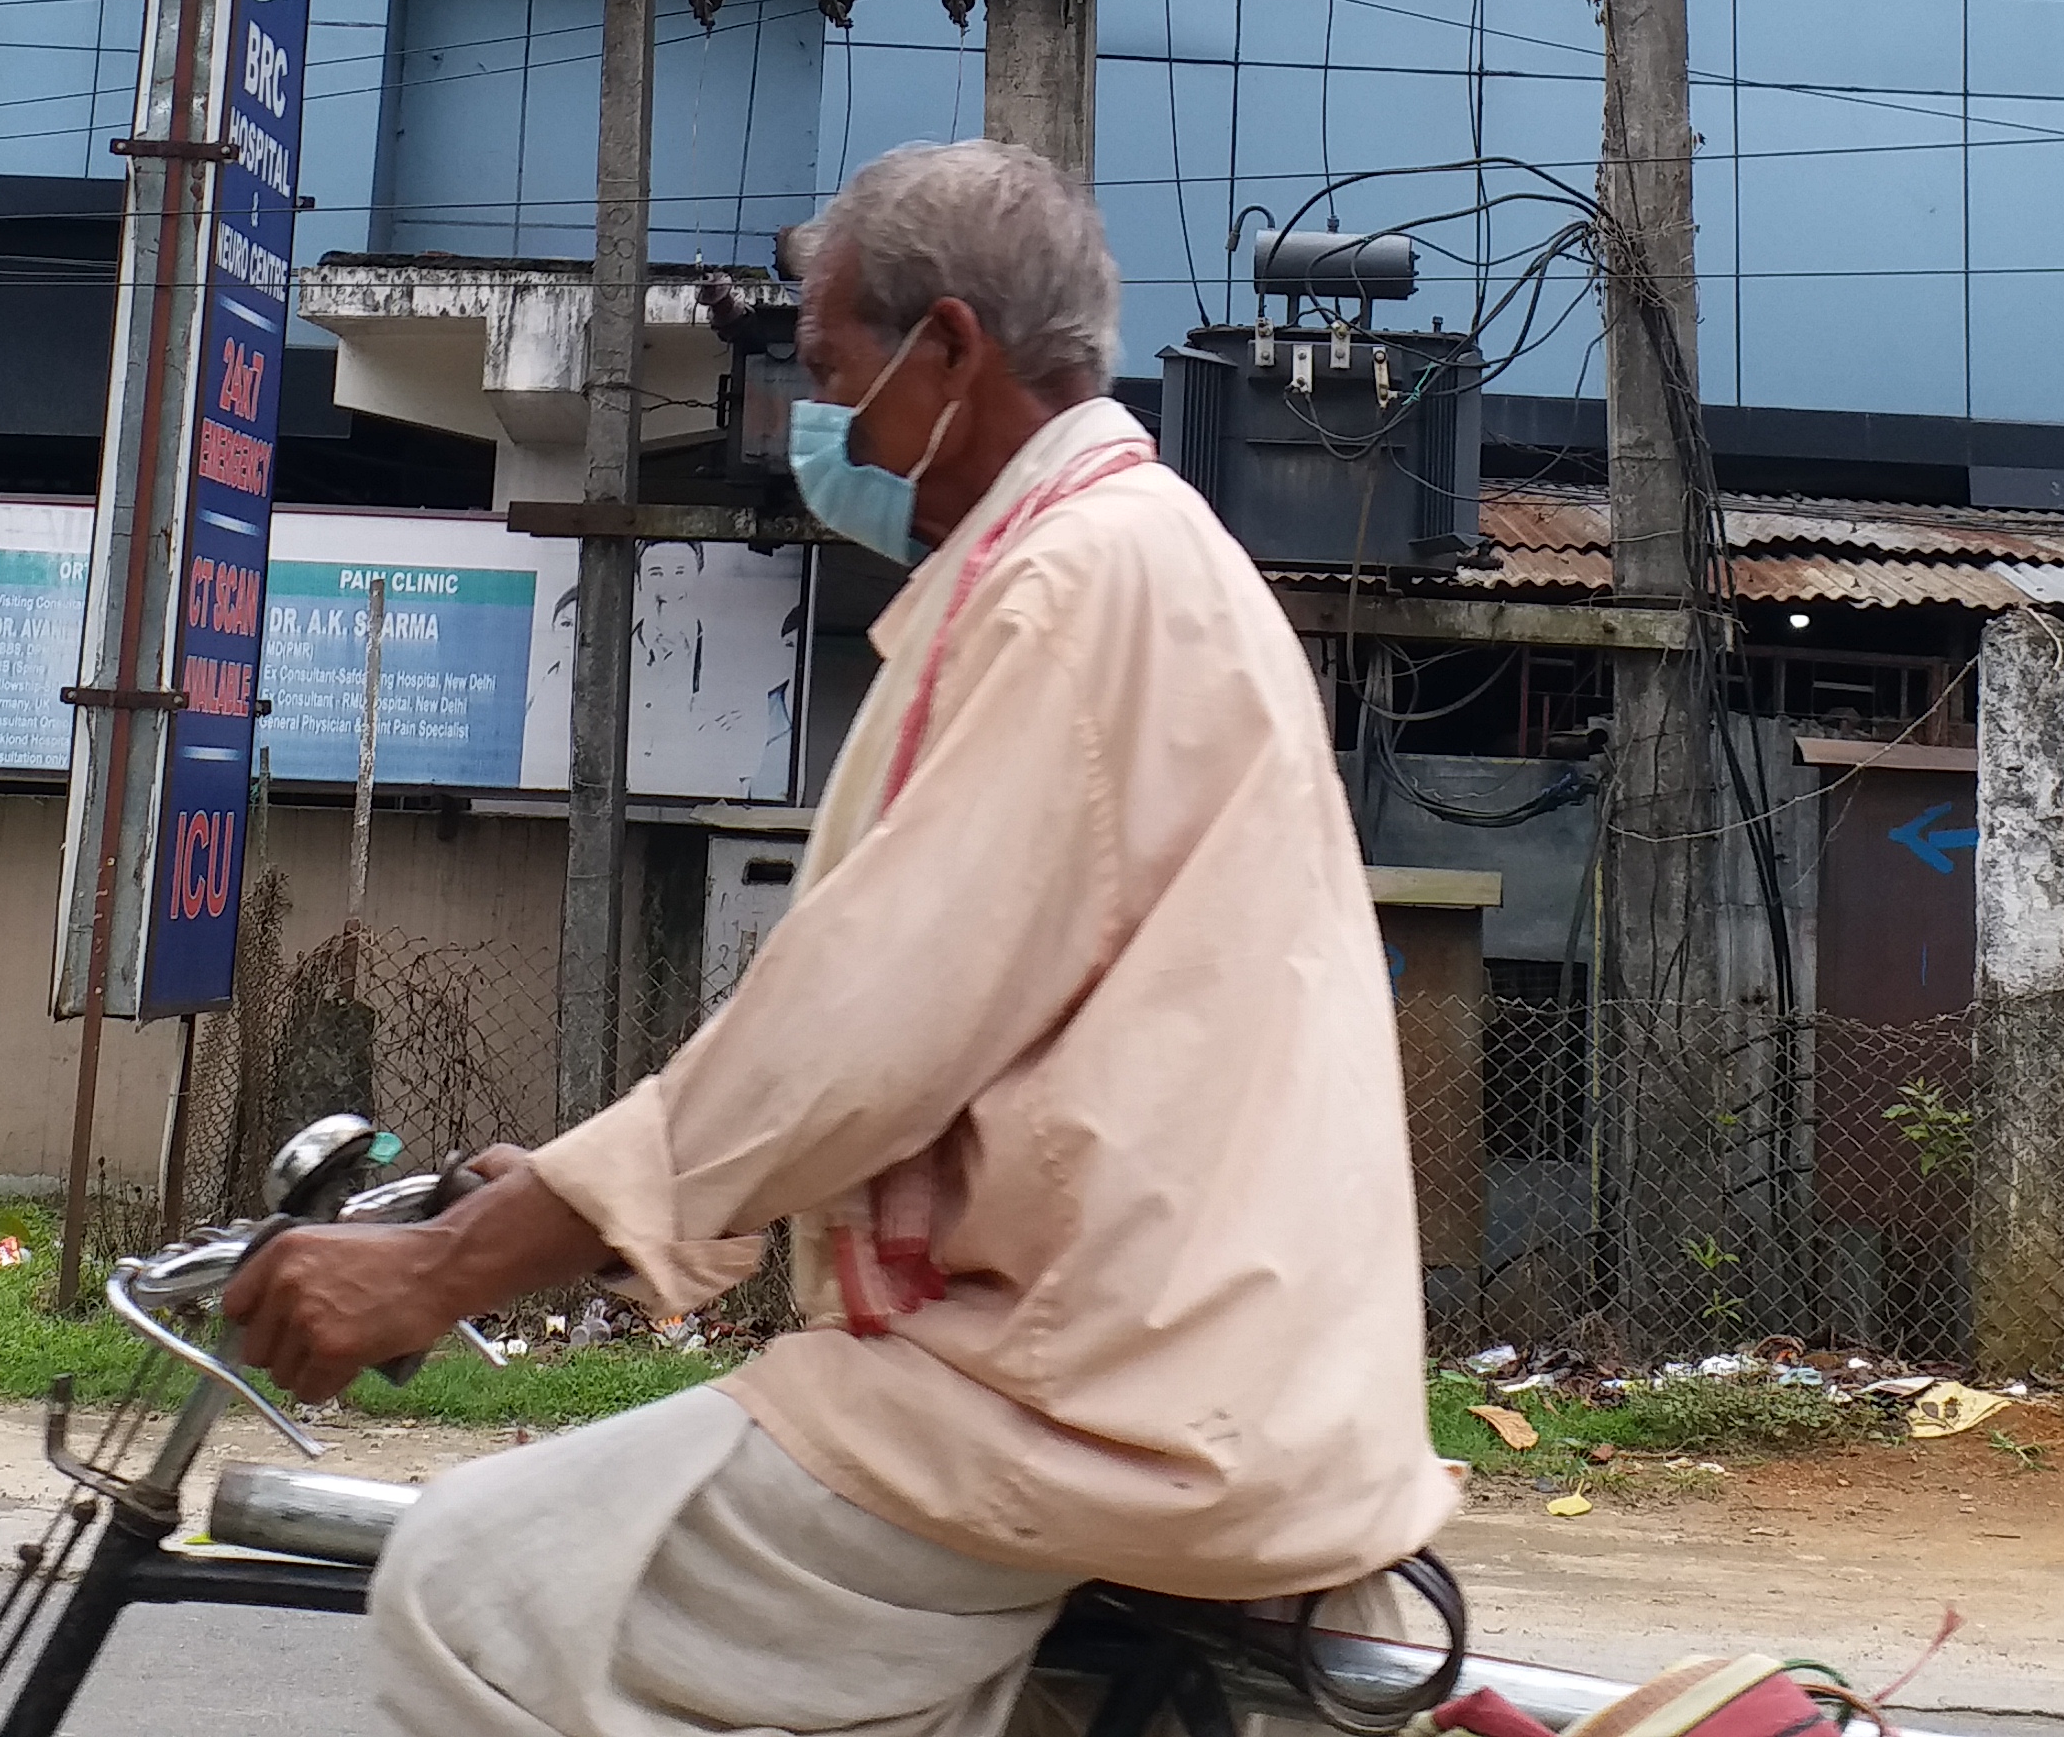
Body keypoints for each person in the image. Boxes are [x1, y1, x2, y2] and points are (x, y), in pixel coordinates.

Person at [223, 137, 1450, 1737]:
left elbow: (858, 1038)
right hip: (1172, 1379)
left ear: (947, 349)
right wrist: (585, 1197)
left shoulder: (1071, 586)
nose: (811, 424)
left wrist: (448, 1273)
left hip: (1080, 1403)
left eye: (828, 368)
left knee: (486, 1588)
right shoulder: (1128, 561)